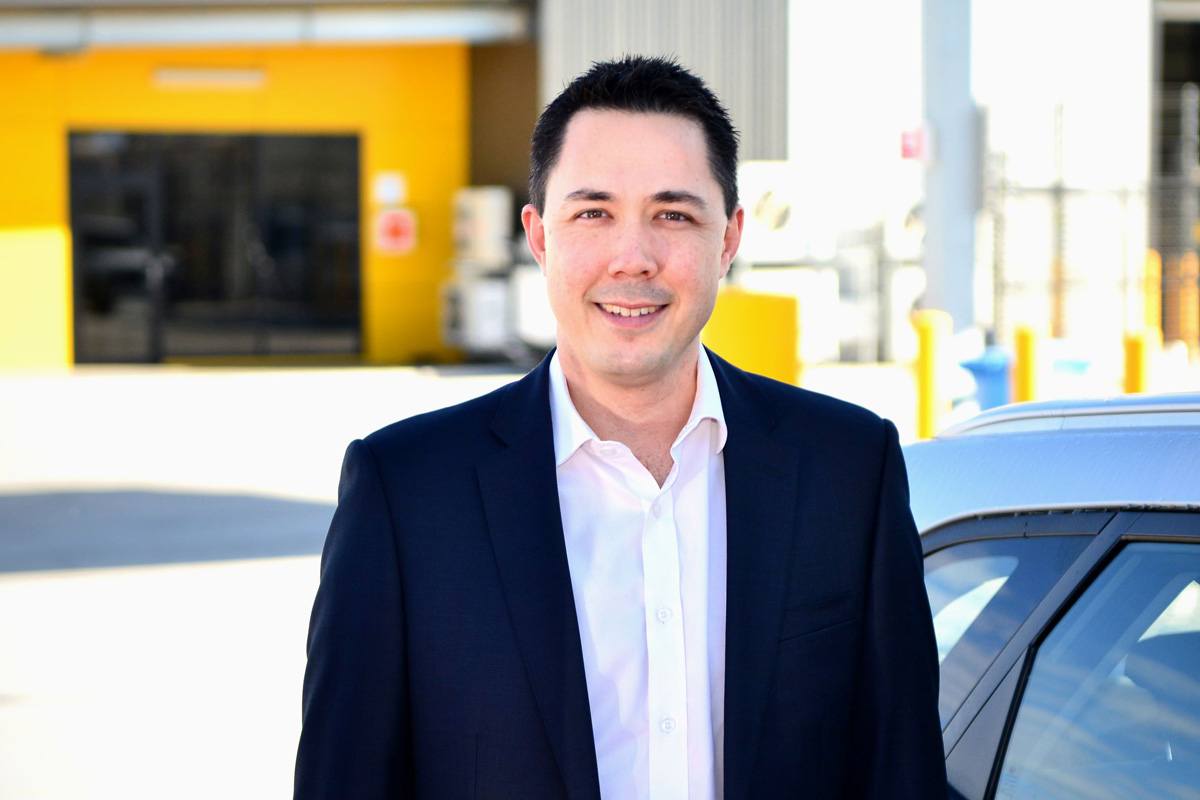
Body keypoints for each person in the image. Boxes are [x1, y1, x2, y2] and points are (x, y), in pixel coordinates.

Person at [294, 55, 945, 800]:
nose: (632, 259)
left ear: (729, 240)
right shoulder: (407, 492)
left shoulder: (848, 469)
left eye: (673, 215)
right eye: (593, 213)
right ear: (540, 236)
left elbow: (900, 770)